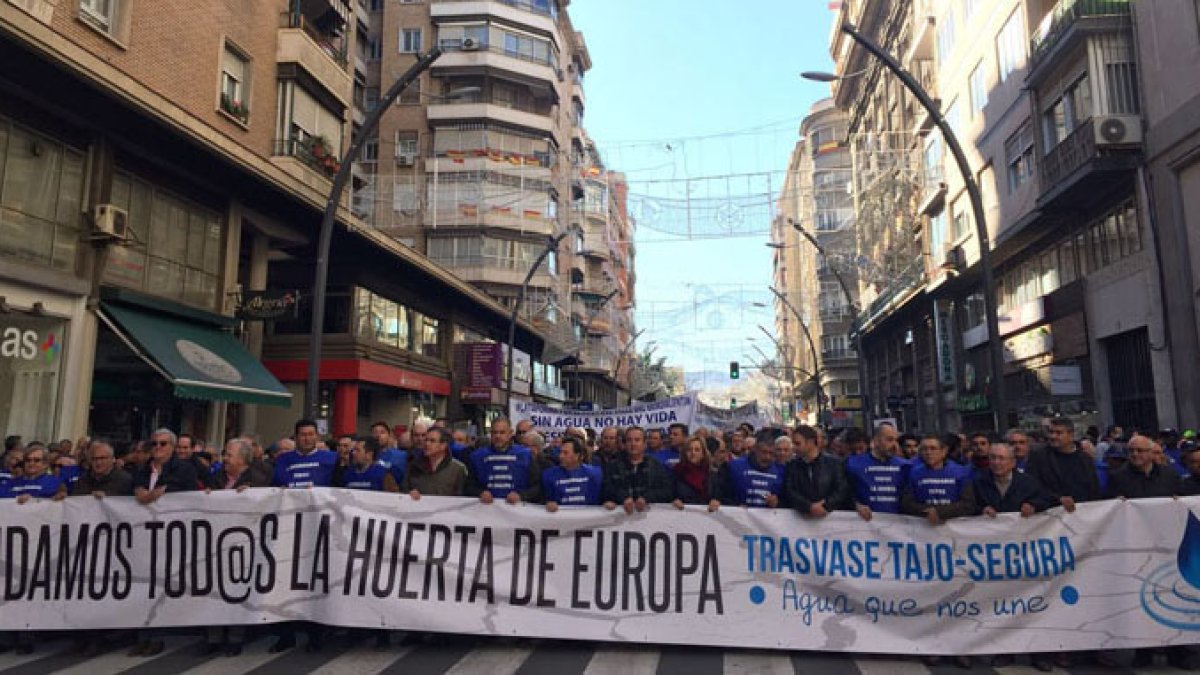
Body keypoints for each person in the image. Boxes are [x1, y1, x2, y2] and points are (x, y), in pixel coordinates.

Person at [129, 428, 198, 656]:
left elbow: (181, 491)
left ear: (172, 447)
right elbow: (137, 490)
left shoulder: (184, 468)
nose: (157, 448)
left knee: (161, 588)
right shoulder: (143, 469)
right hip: (145, 536)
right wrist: (145, 493)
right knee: (143, 587)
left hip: (171, 536)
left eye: (163, 444)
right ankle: (143, 635)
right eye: (154, 444)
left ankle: (157, 636)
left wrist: (157, 493)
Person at [270, 419, 337, 653]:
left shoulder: (331, 459)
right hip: (289, 526)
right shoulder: (284, 460)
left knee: (314, 581)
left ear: (317, 436)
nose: (307, 438)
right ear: (296, 437)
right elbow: (277, 485)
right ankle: (285, 634)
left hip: (317, 527)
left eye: (311, 434)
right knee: (285, 582)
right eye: (302, 435)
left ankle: (315, 634)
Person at [200, 438, 268, 656]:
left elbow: (267, 504)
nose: (225, 458)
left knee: (238, 589)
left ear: (242, 459)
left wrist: (252, 495)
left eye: (229, 454)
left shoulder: (258, 480)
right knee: (214, 588)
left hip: (243, 545)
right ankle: (213, 636)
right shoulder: (217, 477)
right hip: (215, 541)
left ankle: (235, 637)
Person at [1025, 418, 1101, 513]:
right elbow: (1032, 485)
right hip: (1053, 516)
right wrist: (1057, 498)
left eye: (1058, 433)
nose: (1053, 436)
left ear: (1071, 435)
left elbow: (1094, 489)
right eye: (1051, 432)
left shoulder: (1085, 459)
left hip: (1083, 515)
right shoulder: (1039, 457)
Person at [901, 434, 975, 525]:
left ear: (944, 451)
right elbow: (906, 503)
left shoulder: (961, 472)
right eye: (924, 449)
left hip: (954, 527)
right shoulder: (914, 473)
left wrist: (940, 512)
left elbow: (968, 504)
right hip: (923, 527)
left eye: (933, 448)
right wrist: (926, 511)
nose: (928, 452)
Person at [465, 418, 542, 504]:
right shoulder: (477, 456)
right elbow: (468, 486)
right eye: (494, 432)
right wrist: (480, 493)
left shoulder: (525, 455)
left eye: (502, 432)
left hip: (517, 510)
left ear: (510, 433)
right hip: (486, 510)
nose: (498, 436)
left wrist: (521, 495)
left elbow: (537, 487)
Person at [784, 424, 851, 518]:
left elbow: (841, 489)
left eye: (798, 443)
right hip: (801, 519)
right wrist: (808, 506)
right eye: (793, 443)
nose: (794, 448)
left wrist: (826, 504)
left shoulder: (834, 463)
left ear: (810, 442)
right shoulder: (792, 465)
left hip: (831, 518)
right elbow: (790, 491)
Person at [602, 426, 673, 514]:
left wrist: (646, 498)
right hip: (619, 520)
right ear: (624, 443)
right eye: (629, 440)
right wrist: (623, 497)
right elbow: (606, 489)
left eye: (637, 440)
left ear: (644, 444)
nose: (633, 444)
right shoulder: (613, 466)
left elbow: (667, 491)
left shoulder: (656, 465)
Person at [845, 423, 908, 521]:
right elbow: (844, 491)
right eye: (889, 440)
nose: (894, 445)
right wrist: (855, 505)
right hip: (864, 525)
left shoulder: (905, 466)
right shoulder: (853, 464)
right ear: (875, 441)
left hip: (898, 525)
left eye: (896, 440)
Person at [975, 443, 1054, 519]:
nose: (996, 462)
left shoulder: (1029, 483)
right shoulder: (978, 483)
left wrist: (1033, 505)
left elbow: (1045, 500)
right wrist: (982, 510)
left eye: (1001, 458)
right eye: (993, 458)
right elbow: (970, 507)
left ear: (1013, 463)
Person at [715, 433, 785, 508]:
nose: (767, 457)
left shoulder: (780, 472)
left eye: (771, 453)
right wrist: (734, 506)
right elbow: (720, 495)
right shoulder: (733, 467)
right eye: (764, 452)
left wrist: (777, 502)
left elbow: (786, 500)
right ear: (755, 449)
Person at [1105, 434, 1181, 500]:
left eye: (1140, 450)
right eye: (1131, 450)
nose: (1135, 454)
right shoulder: (1117, 478)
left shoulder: (1169, 475)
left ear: (1151, 453)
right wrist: (1116, 501)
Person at [404, 427, 468, 498]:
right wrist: (409, 493)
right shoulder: (414, 466)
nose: (427, 444)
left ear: (443, 445)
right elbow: (404, 489)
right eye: (426, 440)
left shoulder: (458, 469)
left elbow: (463, 496)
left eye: (432, 441)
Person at [542, 437, 602, 511]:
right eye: (560, 452)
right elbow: (542, 498)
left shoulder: (595, 474)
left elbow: (602, 497)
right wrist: (547, 503)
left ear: (579, 455)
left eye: (565, 453)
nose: (561, 456)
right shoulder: (548, 474)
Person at [61, 440, 132, 499]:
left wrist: (108, 498)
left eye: (102, 458)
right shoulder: (82, 480)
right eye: (94, 459)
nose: (98, 462)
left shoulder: (125, 481)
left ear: (113, 459)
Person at [672, 437, 719, 511]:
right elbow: (669, 494)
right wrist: (674, 500)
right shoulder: (676, 472)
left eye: (697, 450)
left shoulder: (713, 474)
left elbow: (722, 496)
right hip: (682, 516)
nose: (693, 453)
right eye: (689, 450)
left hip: (708, 517)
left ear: (703, 453)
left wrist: (716, 501)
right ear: (685, 453)